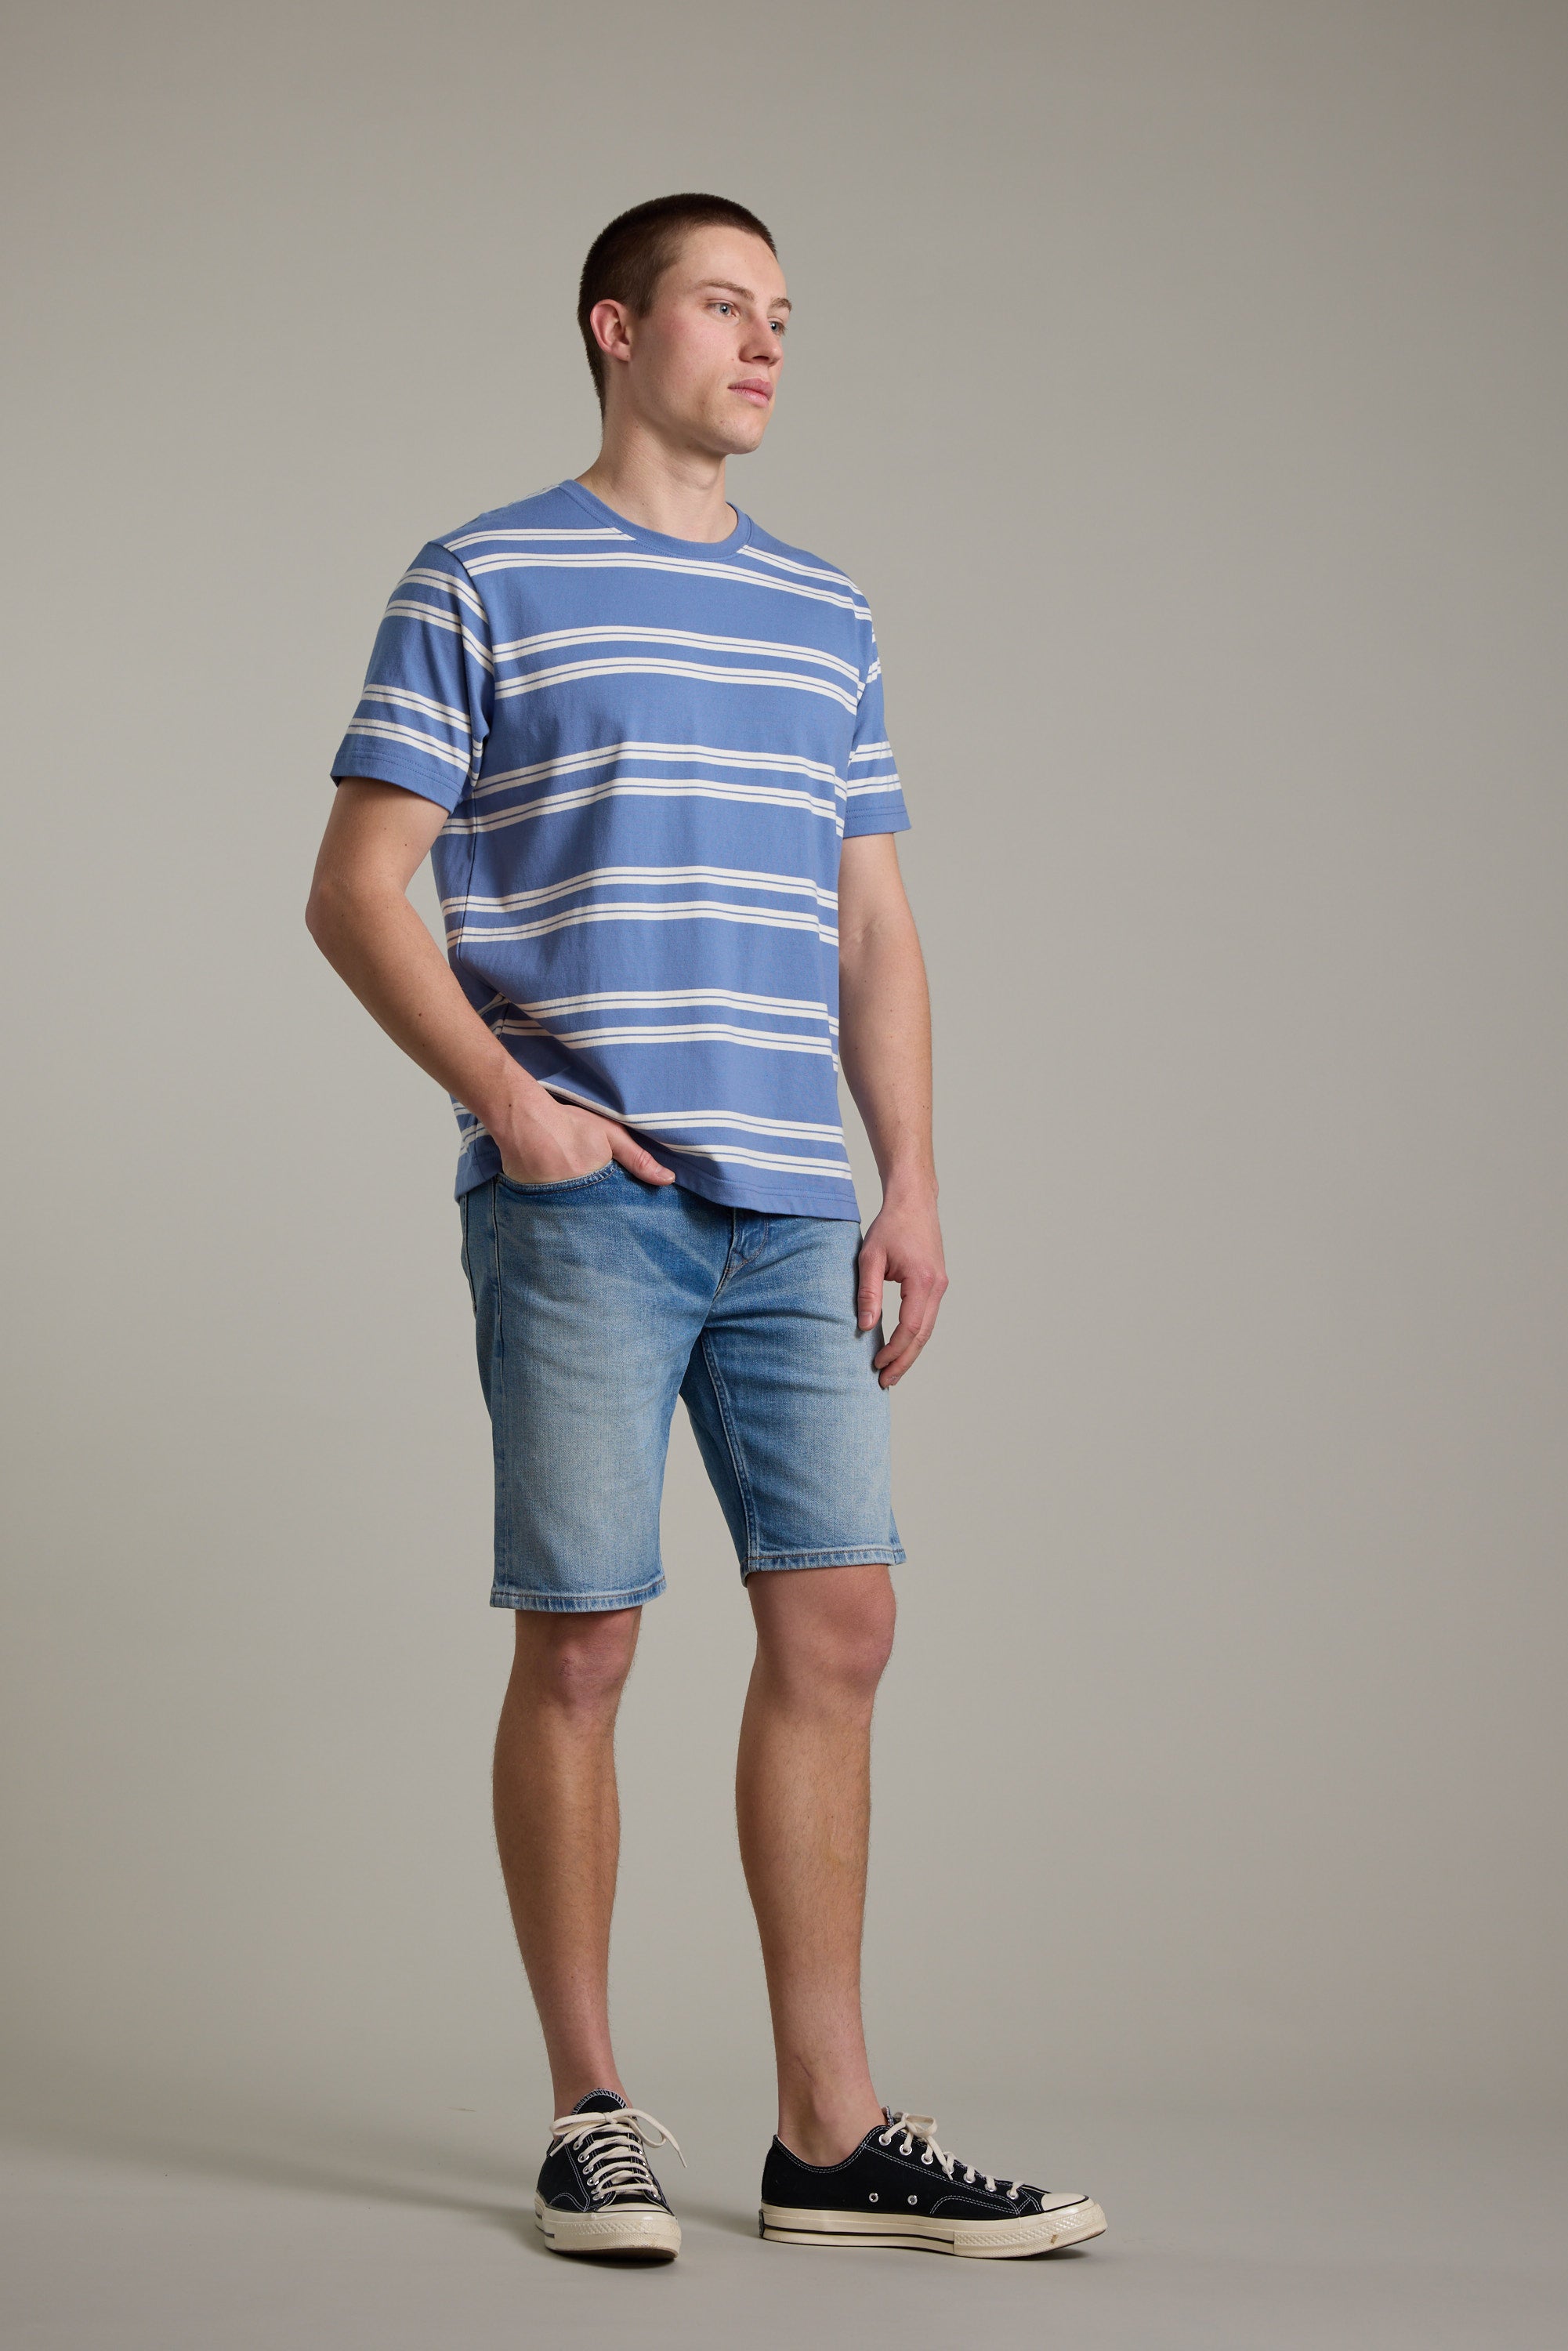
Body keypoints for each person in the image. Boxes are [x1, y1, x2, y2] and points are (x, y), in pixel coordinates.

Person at [306, 191, 1106, 2264]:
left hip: (790, 1212)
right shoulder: (482, 573)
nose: (763, 345)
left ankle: (827, 2135)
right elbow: (358, 885)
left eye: (782, 317)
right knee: (583, 1638)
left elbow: (873, 926)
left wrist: (909, 1179)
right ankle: (589, 2114)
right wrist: (507, 1103)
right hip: (590, 1211)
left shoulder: (824, 610)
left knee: (842, 1626)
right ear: (613, 327)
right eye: (723, 307)